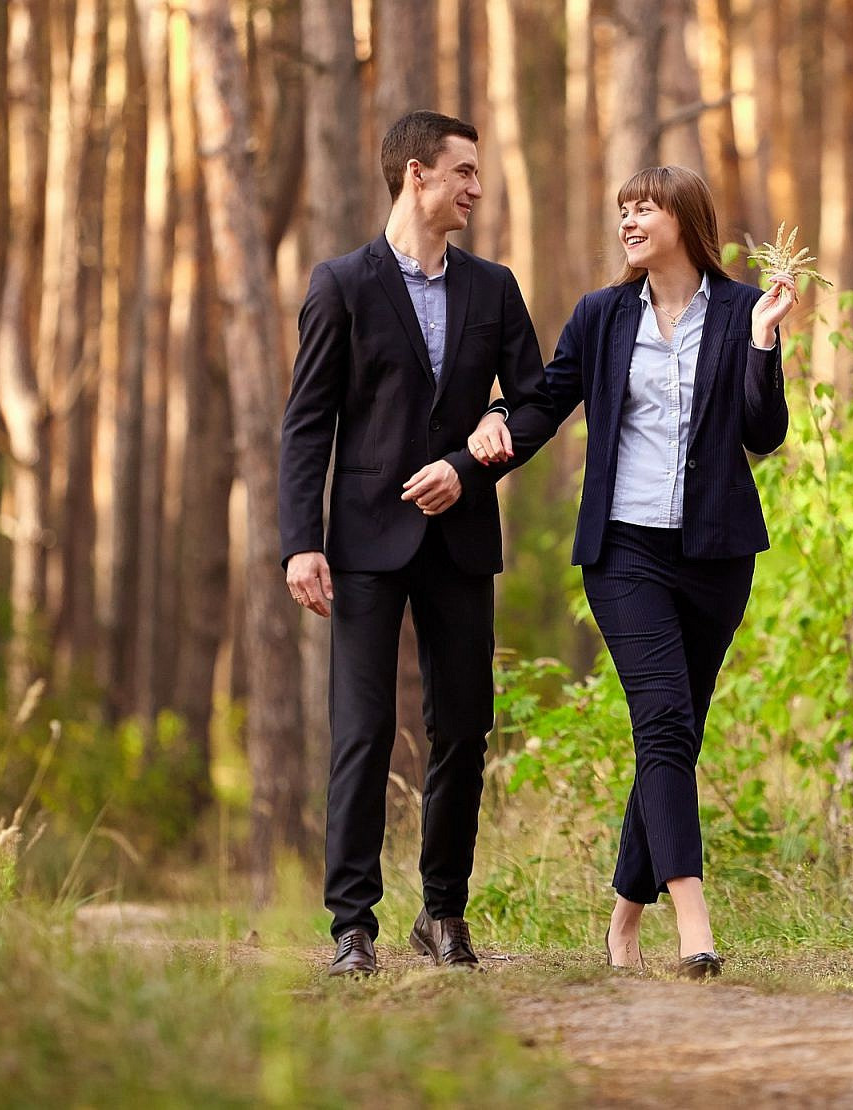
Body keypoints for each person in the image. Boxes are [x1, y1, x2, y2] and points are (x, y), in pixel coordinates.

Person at [475, 165, 797, 977]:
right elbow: (548, 400)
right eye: (623, 210)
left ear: (683, 219)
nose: (628, 221)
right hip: (624, 551)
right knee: (661, 721)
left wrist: (765, 342)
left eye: (644, 208)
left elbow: (763, 435)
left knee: (675, 734)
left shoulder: (741, 310)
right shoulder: (602, 315)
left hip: (716, 555)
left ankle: (623, 920)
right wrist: (491, 428)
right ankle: (695, 927)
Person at [278, 110, 544, 977]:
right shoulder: (340, 284)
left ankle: (443, 913)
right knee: (362, 731)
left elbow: (536, 401)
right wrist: (301, 543)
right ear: (416, 175)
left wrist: (476, 453)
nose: (477, 188)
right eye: (463, 172)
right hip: (362, 542)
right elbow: (307, 424)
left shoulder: (493, 288)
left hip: (460, 540)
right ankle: (352, 926)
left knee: (462, 728)